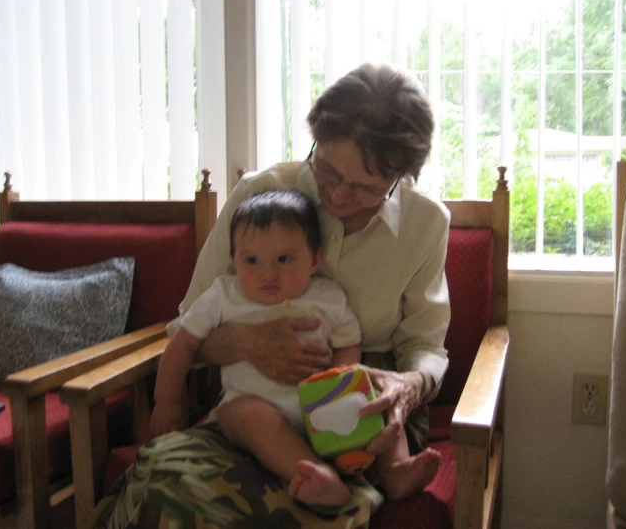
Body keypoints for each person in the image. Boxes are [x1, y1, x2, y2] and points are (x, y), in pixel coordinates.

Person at [168, 62, 450, 501]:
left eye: (366, 187)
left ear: (400, 178)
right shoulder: (259, 197)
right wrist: (247, 343)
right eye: (328, 171)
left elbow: (426, 345)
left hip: (366, 404)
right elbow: (185, 328)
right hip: (256, 400)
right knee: (170, 485)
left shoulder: (426, 224)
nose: (337, 196)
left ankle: (370, 479)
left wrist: (409, 387)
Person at [151, 188, 440, 506]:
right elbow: (182, 344)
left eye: (284, 259)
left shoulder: (327, 296)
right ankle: (318, 476)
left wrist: (342, 378)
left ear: (315, 259)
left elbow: (349, 342)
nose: (268, 273)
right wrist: (167, 401)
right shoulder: (223, 296)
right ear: (233, 258)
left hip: (322, 405)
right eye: (252, 260)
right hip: (254, 408)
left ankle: (396, 470)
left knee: (377, 393)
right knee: (243, 414)